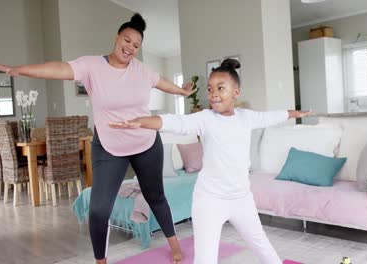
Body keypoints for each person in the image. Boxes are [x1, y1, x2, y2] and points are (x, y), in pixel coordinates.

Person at [0, 13, 191, 264]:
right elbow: (59, 69)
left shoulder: (142, 70)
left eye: (136, 46)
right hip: (108, 146)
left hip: (146, 144)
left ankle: (175, 244)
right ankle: (100, 261)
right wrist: (19, 70)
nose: (130, 48)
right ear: (117, 38)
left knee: (156, 196)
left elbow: (163, 83)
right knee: (98, 209)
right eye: (127, 40)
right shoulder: (92, 66)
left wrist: (181, 90)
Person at [109, 58, 312, 264]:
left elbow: (270, 116)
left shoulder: (246, 117)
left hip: (241, 198)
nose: (213, 93)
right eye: (210, 88)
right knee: (205, 260)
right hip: (210, 200)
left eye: (221, 88)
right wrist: (141, 122)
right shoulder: (205, 119)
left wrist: (293, 113)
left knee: (263, 247)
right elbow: (174, 122)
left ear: (236, 92)